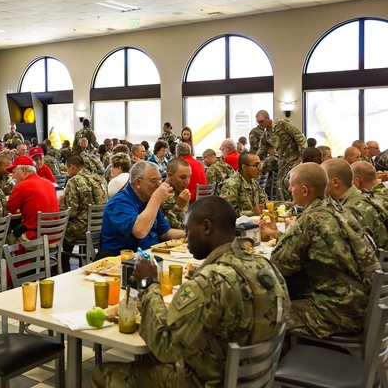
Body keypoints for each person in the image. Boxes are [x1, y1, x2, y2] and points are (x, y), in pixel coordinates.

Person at [92, 196, 290, 388]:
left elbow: (164, 347)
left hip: (205, 381)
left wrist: (148, 283)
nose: (186, 239)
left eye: (187, 231)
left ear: (206, 227)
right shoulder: (266, 266)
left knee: (101, 373)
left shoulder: (208, 283)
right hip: (252, 376)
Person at [259, 162, 379, 338]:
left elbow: (279, 267)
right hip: (360, 304)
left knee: (262, 317)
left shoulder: (308, 220)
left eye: (292, 186)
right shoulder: (338, 210)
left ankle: (286, 362)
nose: (290, 190)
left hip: (337, 312)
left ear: (305, 190)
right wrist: (277, 234)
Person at [99, 161, 185, 256]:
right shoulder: (119, 203)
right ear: (138, 183)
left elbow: (165, 233)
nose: (159, 184)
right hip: (122, 262)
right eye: (154, 180)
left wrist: (190, 235)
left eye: (160, 180)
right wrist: (157, 198)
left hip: (149, 256)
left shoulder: (147, 200)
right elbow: (140, 231)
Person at [322, 158, 388, 250]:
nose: (319, 185)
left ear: (335, 182)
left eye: (322, 181)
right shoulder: (366, 197)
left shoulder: (351, 210)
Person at [60, 155, 108, 272]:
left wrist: (61, 203)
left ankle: (62, 269)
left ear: (71, 167)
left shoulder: (74, 181)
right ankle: (83, 263)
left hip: (81, 228)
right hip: (100, 226)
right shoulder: (100, 178)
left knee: (60, 232)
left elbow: (71, 212)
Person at [5, 156, 59, 244]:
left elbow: (9, 210)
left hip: (36, 239)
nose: (13, 176)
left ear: (23, 170)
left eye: (14, 173)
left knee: (4, 244)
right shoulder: (49, 183)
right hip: (55, 237)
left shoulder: (21, 186)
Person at [255, 110, 307, 193]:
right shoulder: (266, 135)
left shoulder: (282, 124)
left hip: (295, 160)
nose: (260, 124)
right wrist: (254, 161)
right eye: (258, 123)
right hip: (282, 162)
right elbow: (262, 150)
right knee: (281, 188)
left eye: (261, 121)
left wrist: (301, 155)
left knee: (294, 185)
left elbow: (299, 137)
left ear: (268, 118)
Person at [219, 152, 267, 217]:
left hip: (253, 223)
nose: (260, 169)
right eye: (256, 165)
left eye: (260, 165)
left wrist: (284, 204)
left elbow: (265, 203)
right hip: (237, 226)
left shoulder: (253, 182)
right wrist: (252, 212)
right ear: (244, 167)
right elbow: (227, 212)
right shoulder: (231, 185)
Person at [160, 158, 191, 229]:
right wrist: (179, 207)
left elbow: (184, 221)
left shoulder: (180, 190)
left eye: (189, 177)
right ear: (170, 176)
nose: (187, 182)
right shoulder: (159, 193)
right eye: (183, 177)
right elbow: (161, 227)